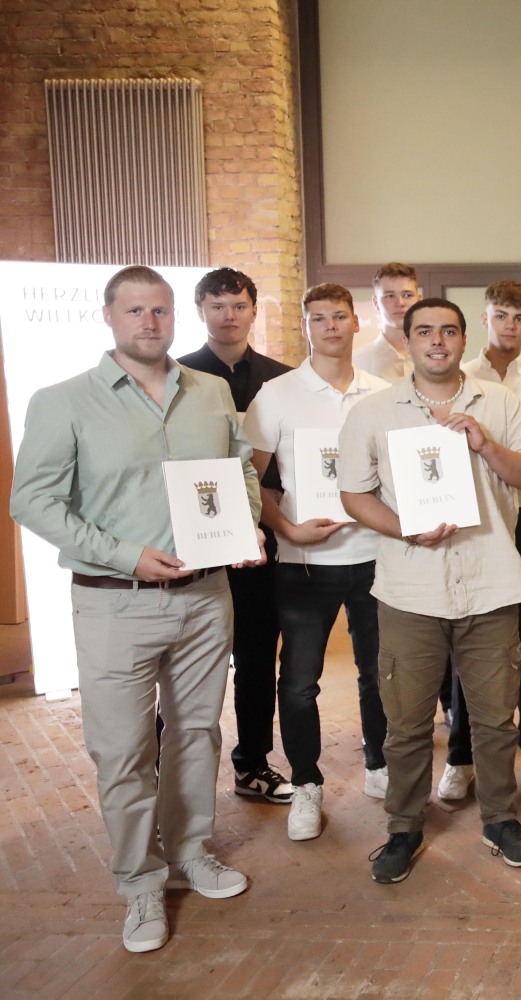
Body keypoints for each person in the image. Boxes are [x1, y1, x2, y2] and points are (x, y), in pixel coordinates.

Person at [11, 265, 262, 952]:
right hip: (114, 603)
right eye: (135, 311)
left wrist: (247, 523)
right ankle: (140, 885)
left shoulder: (210, 392)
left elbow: (238, 467)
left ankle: (191, 852)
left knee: (196, 735)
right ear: (109, 317)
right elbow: (31, 501)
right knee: (123, 751)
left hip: (207, 597)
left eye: (160, 310)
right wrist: (126, 554)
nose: (150, 322)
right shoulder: (63, 400)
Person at [339, 297, 521, 883]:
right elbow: (354, 496)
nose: (438, 341)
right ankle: (403, 826)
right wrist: (405, 527)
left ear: (464, 339)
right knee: (404, 721)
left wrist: (485, 444)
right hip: (410, 587)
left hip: (489, 581)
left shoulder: (499, 402)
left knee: (494, 716)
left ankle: (500, 818)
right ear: (406, 341)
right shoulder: (373, 412)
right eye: (425, 331)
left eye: (449, 331)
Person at [243, 283, 390, 841]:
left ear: (358, 324)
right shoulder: (277, 395)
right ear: (305, 326)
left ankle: (378, 765)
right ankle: (307, 783)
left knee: (379, 674)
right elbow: (248, 479)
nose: (330, 326)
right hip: (303, 563)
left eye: (339, 316)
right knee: (299, 683)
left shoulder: (382, 392)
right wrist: (285, 529)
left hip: (375, 558)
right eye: (318, 318)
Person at [439, 280, 521, 798]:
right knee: (467, 644)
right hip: (474, 521)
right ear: (485, 317)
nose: (509, 326)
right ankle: (462, 757)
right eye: (501, 316)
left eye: (519, 318)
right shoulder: (457, 377)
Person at [177, 267, 294, 804]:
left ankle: (252, 763)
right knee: (184, 662)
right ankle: (171, 772)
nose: (229, 315)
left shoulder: (281, 379)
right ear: (200, 308)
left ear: (254, 310)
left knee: (254, 656)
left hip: (260, 537)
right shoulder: (177, 375)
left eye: (239, 305)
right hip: (193, 543)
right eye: (217, 305)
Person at [353, 262, 422, 382]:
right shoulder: (357, 363)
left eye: (407, 295)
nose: (400, 303)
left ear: (419, 300)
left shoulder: (439, 357)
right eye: (390, 296)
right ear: (376, 303)